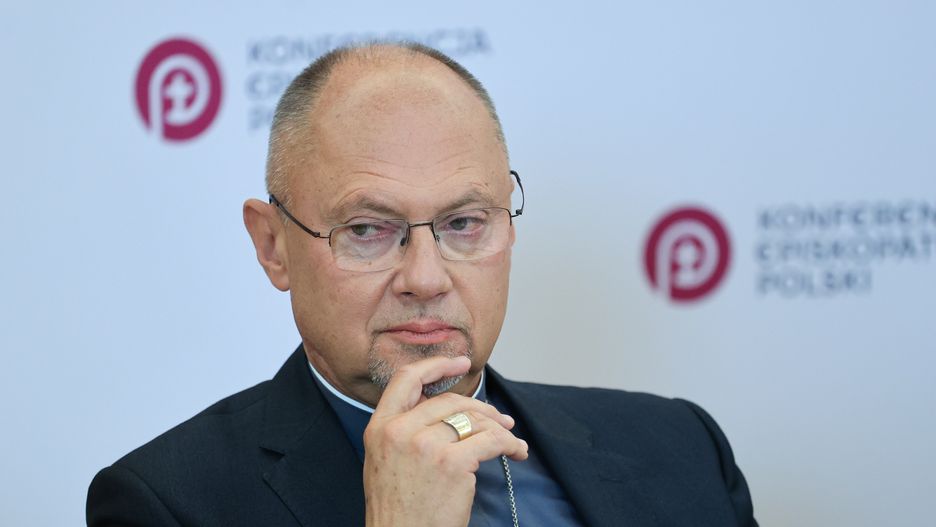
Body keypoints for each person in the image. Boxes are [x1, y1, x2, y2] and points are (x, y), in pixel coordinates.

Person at [87, 42, 757, 527]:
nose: (426, 278)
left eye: (464, 222)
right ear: (273, 245)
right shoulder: (165, 503)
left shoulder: (681, 446)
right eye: (367, 230)